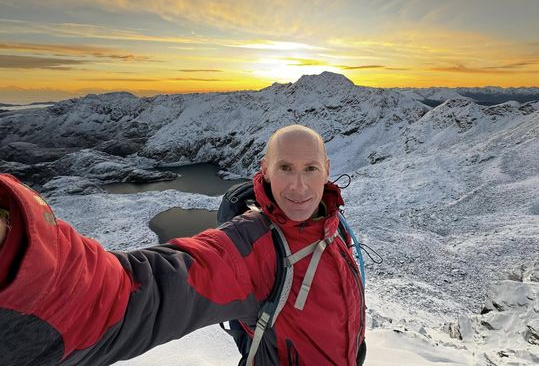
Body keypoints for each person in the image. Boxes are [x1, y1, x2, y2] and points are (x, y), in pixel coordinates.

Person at [0, 124, 366, 366]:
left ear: (327, 169)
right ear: (265, 170)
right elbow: (142, 292)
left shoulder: (333, 225)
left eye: (310, 169)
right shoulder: (252, 245)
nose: (300, 187)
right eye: (285, 168)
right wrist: (19, 245)